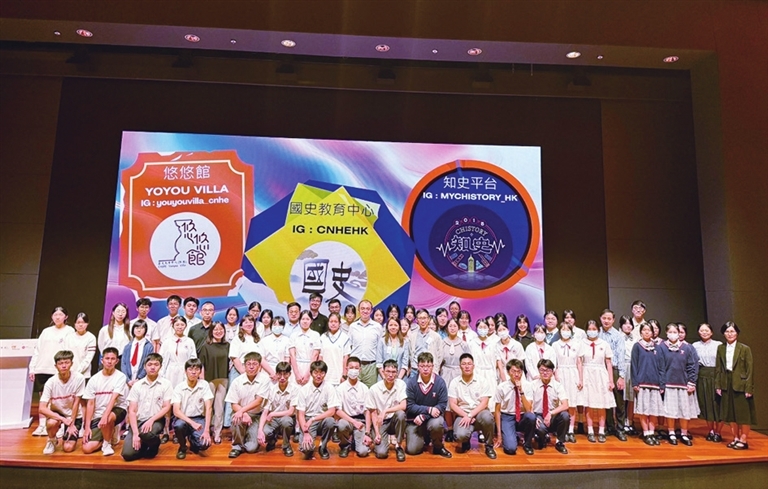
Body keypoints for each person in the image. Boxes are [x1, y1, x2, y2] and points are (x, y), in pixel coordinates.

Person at [30, 306, 74, 437]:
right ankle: (42, 425)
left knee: (58, 399)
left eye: (60, 315)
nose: (57, 317)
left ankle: (60, 425)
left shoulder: (69, 331)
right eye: (55, 315)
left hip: (57, 369)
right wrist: (33, 368)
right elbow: (37, 350)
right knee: (44, 398)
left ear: (66, 317)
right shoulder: (46, 331)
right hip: (42, 368)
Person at [121, 353, 173, 461]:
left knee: (147, 435)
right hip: (138, 421)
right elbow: (132, 411)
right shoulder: (137, 385)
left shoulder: (166, 384)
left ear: (160, 366)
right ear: (144, 366)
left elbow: (166, 407)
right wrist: (135, 434)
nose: (153, 367)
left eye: (156, 364)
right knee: (127, 455)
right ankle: (144, 444)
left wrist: (151, 420)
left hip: (156, 421)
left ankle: (154, 445)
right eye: (149, 364)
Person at [447, 353, 497, 459]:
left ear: (473, 366)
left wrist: (470, 415)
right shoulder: (454, 382)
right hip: (462, 415)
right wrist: (466, 415)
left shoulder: (482, 381)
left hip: (479, 414)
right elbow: (452, 405)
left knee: (488, 417)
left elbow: (484, 403)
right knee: (460, 435)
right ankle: (466, 441)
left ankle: (489, 446)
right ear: (460, 366)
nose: (467, 366)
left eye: (469, 364)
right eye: (464, 364)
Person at [715, 321, 755, 450]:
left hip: (740, 383)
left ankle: (743, 439)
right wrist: (718, 385)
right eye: (727, 331)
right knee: (730, 413)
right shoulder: (721, 348)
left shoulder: (744, 348)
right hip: (726, 382)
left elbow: (750, 369)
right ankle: (735, 438)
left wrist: (749, 388)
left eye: (732, 331)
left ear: (737, 333)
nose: (729, 334)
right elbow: (718, 368)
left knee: (743, 414)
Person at [658, 322, 699, 446]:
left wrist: (691, 382)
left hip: (684, 384)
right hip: (668, 384)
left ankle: (684, 433)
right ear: (666, 333)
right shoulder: (661, 347)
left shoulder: (687, 348)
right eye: (670, 332)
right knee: (670, 410)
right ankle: (671, 432)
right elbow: (660, 367)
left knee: (684, 410)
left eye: (675, 332)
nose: (673, 334)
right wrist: (662, 384)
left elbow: (692, 365)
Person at [82, 347, 128, 456]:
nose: (109, 361)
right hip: (98, 414)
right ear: (102, 360)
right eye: (107, 358)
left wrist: (105, 416)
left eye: (113, 359)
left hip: (116, 409)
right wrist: (87, 427)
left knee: (108, 419)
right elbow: (90, 404)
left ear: (117, 361)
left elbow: (114, 399)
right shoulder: (94, 379)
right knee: (87, 448)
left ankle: (107, 444)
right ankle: (108, 433)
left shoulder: (120, 377)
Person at [38, 350, 85, 454]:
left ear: (71, 363)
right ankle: (52, 440)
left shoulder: (79, 378)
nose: (64, 366)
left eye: (67, 362)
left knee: (68, 448)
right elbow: (42, 408)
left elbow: (76, 403)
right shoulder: (50, 382)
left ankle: (68, 432)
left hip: (73, 415)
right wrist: (62, 419)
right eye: (60, 363)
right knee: (51, 423)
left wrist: (71, 424)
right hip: (58, 413)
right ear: (56, 366)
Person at [518, 359, 570, 455]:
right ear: (538, 370)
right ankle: (541, 437)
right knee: (540, 429)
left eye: (548, 370)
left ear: (552, 372)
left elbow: (565, 405)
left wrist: (551, 413)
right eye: (542, 370)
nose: (545, 373)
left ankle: (560, 443)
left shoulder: (558, 386)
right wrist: (534, 416)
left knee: (565, 415)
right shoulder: (532, 385)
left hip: (552, 415)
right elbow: (529, 404)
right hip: (538, 415)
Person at [405, 352, 451, 458]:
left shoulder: (440, 382)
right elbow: (410, 406)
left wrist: (424, 416)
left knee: (437, 423)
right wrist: (429, 410)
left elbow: (442, 405)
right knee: (412, 450)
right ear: (418, 366)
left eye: (428, 366)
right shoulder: (411, 383)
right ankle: (425, 437)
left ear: (433, 366)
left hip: (433, 418)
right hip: (415, 420)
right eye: (422, 366)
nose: (425, 369)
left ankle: (438, 446)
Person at [225, 351, 271, 457]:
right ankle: (237, 446)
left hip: (257, 415)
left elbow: (258, 401)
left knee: (251, 448)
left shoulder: (265, 380)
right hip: (241, 413)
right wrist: (243, 413)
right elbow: (233, 404)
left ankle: (248, 436)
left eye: (254, 364)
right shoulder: (237, 381)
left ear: (260, 366)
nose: (251, 367)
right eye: (248, 364)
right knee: (236, 418)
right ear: (244, 366)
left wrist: (242, 410)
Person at [296, 360, 340, 460]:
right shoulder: (304, 390)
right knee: (306, 450)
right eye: (316, 372)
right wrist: (306, 432)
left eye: (322, 373)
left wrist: (314, 419)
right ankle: (309, 444)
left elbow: (332, 411)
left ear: (325, 373)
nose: (319, 376)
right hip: (308, 420)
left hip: (322, 419)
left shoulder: (329, 388)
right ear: (311, 373)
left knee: (331, 421)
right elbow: (301, 414)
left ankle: (322, 446)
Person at [630, 322, 665, 446]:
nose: (646, 332)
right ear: (640, 332)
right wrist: (635, 382)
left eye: (649, 330)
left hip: (655, 384)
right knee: (644, 410)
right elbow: (634, 365)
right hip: (642, 383)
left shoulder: (658, 347)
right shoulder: (637, 346)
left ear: (653, 333)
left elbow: (662, 367)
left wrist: (662, 384)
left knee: (654, 410)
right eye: (644, 330)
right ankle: (646, 433)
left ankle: (652, 432)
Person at [581, 319, 615, 443]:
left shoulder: (604, 344)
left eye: (594, 329)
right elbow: (579, 362)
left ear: (598, 330)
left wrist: (611, 380)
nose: (592, 331)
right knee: (588, 404)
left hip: (601, 375)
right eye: (589, 329)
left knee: (602, 404)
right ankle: (590, 431)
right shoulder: (582, 343)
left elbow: (609, 363)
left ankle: (601, 431)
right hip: (587, 374)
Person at [366, 359, 407, 461]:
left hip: (393, 420)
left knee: (401, 414)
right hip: (381, 422)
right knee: (381, 453)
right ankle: (382, 439)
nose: (390, 375)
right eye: (388, 371)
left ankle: (398, 445)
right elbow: (373, 413)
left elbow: (403, 405)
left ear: (397, 373)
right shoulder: (374, 389)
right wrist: (377, 433)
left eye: (393, 372)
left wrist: (385, 411)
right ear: (383, 372)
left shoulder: (401, 384)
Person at [172, 358, 213, 459]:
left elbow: (209, 408)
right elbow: (176, 411)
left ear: (200, 371)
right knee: (179, 426)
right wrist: (192, 423)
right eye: (190, 369)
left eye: (197, 369)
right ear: (185, 371)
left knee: (204, 444)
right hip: (183, 418)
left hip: (199, 418)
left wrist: (207, 431)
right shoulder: (179, 387)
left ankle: (193, 439)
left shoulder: (204, 385)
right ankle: (182, 447)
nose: (193, 372)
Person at [494, 358, 535, 455]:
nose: (516, 374)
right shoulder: (501, 387)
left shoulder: (528, 386)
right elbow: (497, 411)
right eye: (513, 371)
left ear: (522, 372)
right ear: (508, 372)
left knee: (531, 417)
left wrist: (521, 391)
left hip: (522, 416)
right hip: (507, 416)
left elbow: (528, 409)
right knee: (510, 449)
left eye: (519, 371)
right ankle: (510, 435)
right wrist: (499, 435)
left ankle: (527, 444)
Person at [198, 321, 230, 444]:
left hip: (223, 379)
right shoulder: (206, 346)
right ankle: (206, 430)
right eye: (215, 329)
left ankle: (217, 433)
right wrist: (202, 381)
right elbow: (201, 365)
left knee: (219, 408)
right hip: (209, 380)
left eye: (221, 329)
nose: (218, 332)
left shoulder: (227, 345)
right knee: (208, 407)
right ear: (211, 332)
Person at [257, 361, 298, 457]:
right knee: (264, 431)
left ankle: (286, 445)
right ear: (276, 374)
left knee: (286, 421)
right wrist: (260, 430)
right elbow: (265, 412)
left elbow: (291, 411)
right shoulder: (271, 389)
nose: (282, 377)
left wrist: (272, 414)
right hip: (273, 420)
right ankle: (272, 440)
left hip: (287, 417)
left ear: (290, 374)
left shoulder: (295, 389)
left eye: (285, 374)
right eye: (280, 374)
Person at [598, 309, 628, 441]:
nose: (606, 321)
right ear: (600, 318)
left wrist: (621, 376)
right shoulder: (597, 333)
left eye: (609, 318)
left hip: (615, 369)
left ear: (613, 320)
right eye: (604, 318)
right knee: (605, 399)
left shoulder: (618, 336)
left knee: (619, 401)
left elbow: (621, 356)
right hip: (601, 369)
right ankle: (609, 426)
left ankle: (620, 428)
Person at [440, 318, 470, 442]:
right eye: (450, 326)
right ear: (447, 328)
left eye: (454, 326)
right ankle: (450, 429)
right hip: (445, 373)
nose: (452, 328)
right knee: (447, 402)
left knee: (457, 401)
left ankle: (459, 426)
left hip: (459, 373)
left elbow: (468, 360)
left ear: (458, 328)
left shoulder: (463, 344)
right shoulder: (442, 342)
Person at [335, 356, 372, 458]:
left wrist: (367, 433)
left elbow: (367, 412)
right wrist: (353, 422)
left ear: (360, 370)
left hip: (360, 422)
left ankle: (355, 441)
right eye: (351, 367)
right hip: (347, 420)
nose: (354, 370)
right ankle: (345, 446)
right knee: (341, 424)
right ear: (346, 369)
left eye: (356, 368)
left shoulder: (365, 389)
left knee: (363, 452)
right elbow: (337, 411)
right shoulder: (340, 389)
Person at [552, 322, 583, 443]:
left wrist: (580, 379)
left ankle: (571, 430)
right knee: (561, 402)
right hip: (561, 373)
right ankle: (562, 430)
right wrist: (556, 375)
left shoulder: (577, 344)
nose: (565, 332)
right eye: (563, 329)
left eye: (568, 329)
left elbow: (579, 362)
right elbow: (554, 362)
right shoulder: (555, 345)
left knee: (572, 403)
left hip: (573, 373)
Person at [692, 322, 723, 442]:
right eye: (702, 330)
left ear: (711, 332)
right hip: (702, 375)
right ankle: (711, 430)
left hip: (716, 375)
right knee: (706, 403)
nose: (704, 332)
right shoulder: (695, 345)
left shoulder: (718, 345)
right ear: (698, 332)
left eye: (706, 330)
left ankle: (718, 432)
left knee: (718, 404)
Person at [348, 299, 383, 387]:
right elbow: (349, 347)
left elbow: (380, 348)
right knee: (353, 391)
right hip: (355, 366)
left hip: (371, 366)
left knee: (370, 392)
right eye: (362, 308)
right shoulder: (352, 326)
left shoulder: (377, 327)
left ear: (371, 311)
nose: (365, 311)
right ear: (359, 310)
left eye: (368, 309)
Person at [289, 310, 322, 387]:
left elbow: (315, 356)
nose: (305, 321)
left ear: (311, 321)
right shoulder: (293, 335)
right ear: (299, 320)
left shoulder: (315, 335)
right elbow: (292, 355)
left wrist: (308, 374)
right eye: (303, 319)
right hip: (296, 368)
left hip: (311, 368)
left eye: (307, 319)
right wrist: (297, 374)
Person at [319, 312, 351, 386]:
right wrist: (320, 373)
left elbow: (346, 358)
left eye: (335, 322)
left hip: (339, 376)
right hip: (325, 376)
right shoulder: (323, 337)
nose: (333, 324)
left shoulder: (345, 338)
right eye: (331, 321)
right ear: (328, 323)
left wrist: (344, 375)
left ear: (340, 323)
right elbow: (320, 357)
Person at [618, 315, 638, 434]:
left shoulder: (635, 339)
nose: (628, 326)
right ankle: (620, 421)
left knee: (631, 396)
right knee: (622, 396)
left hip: (633, 366)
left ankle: (629, 421)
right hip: (622, 366)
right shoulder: (618, 337)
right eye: (625, 323)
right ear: (621, 325)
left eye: (630, 323)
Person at [121, 320, 154, 388]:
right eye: (136, 328)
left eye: (141, 328)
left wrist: (139, 378)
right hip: (127, 381)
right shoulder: (128, 346)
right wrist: (128, 380)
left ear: (145, 330)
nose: (139, 330)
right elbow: (123, 364)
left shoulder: (149, 346)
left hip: (141, 381)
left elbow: (148, 364)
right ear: (133, 329)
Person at [98, 303, 131, 369]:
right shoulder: (105, 329)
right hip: (108, 360)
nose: (120, 314)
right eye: (118, 311)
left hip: (123, 361)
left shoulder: (130, 329)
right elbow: (101, 346)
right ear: (113, 312)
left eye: (123, 312)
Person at [258, 315, 291, 380]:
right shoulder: (264, 340)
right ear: (271, 326)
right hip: (266, 371)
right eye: (275, 325)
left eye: (280, 325)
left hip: (282, 371)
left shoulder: (287, 340)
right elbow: (262, 359)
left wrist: (282, 373)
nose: (277, 327)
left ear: (283, 327)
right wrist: (271, 373)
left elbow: (287, 358)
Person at [66, 312, 96, 382]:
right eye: (78, 322)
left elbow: (88, 358)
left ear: (87, 323)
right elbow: (65, 355)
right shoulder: (69, 337)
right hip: (68, 373)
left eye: (83, 322)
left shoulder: (91, 337)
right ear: (74, 324)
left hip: (84, 375)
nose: (80, 325)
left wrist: (77, 372)